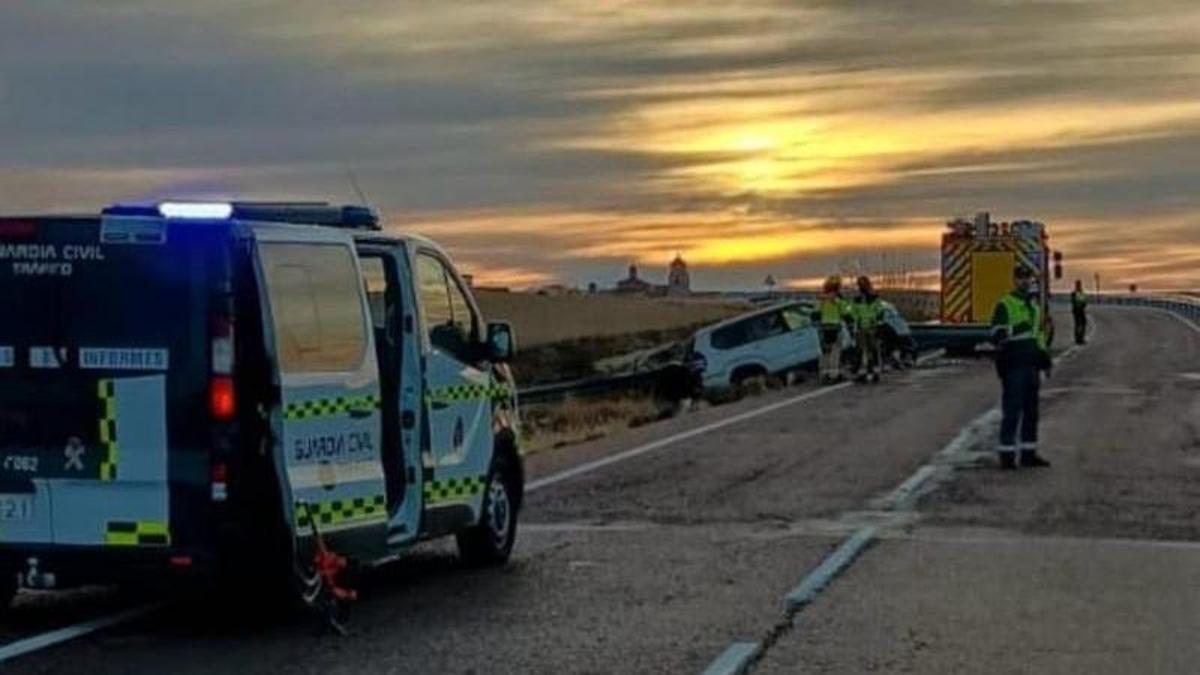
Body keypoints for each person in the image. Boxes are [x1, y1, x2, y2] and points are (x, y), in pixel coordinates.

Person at [990, 266, 1053, 469]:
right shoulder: (1005, 305)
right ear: (1014, 280)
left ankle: (1028, 453)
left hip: (1031, 365)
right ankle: (1007, 456)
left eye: (1028, 278)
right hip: (1013, 365)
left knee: (1031, 412)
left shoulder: (1034, 307)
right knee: (1012, 411)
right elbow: (996, 335)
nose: (1025, 282)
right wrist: (1016, 328)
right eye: (1021, 278)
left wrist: (1045, 358)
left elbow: (1038, 336)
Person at [815, 275, 853, 384]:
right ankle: (833, 375)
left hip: (823, 329)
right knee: (835, 352)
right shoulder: (838, 300)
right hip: (835, 328)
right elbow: (846, 314)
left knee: (825, 352)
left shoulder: (821, 300)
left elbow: (814, 314)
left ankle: (823, 375)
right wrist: (850, 323)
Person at [852, 275, 884, 383]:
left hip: (863, 326)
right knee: (872, 350)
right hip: (870, 326)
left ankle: (865, 371)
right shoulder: (874, 297)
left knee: (863, 350)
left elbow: (853, 313)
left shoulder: (857, 299)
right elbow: (880, 311)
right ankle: (873, 371)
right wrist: (874, 319)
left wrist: (858, 321)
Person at [1070, 279, 1088, 345]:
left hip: (1080, 310)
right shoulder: (1075, 293)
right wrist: (1081, 304)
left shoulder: (1080, 293)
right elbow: (1074, 302)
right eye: (1079, 284)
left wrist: (1083, 304)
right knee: (1078, 325)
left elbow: (1084, 301)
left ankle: (1080, 338)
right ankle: (1078, 339)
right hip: (1077, 311)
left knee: (1081, 324)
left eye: (1080, 284)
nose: (1080, 285)